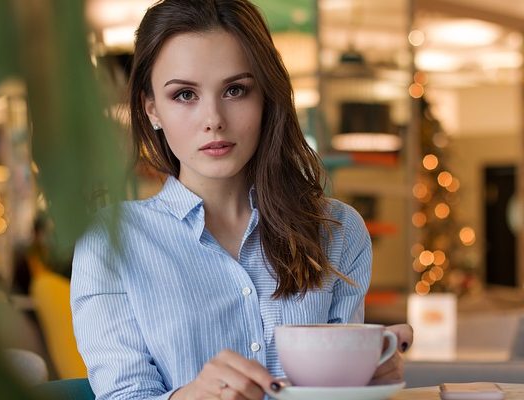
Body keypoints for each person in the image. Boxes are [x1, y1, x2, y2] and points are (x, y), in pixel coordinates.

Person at [71, 1, 413, 399]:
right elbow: (123, 395)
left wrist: (365, 379)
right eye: (184, 94)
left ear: (266, 96)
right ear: (152, 110)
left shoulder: (337, 230)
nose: (213, 118)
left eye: (235, 90)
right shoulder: (109, 243)